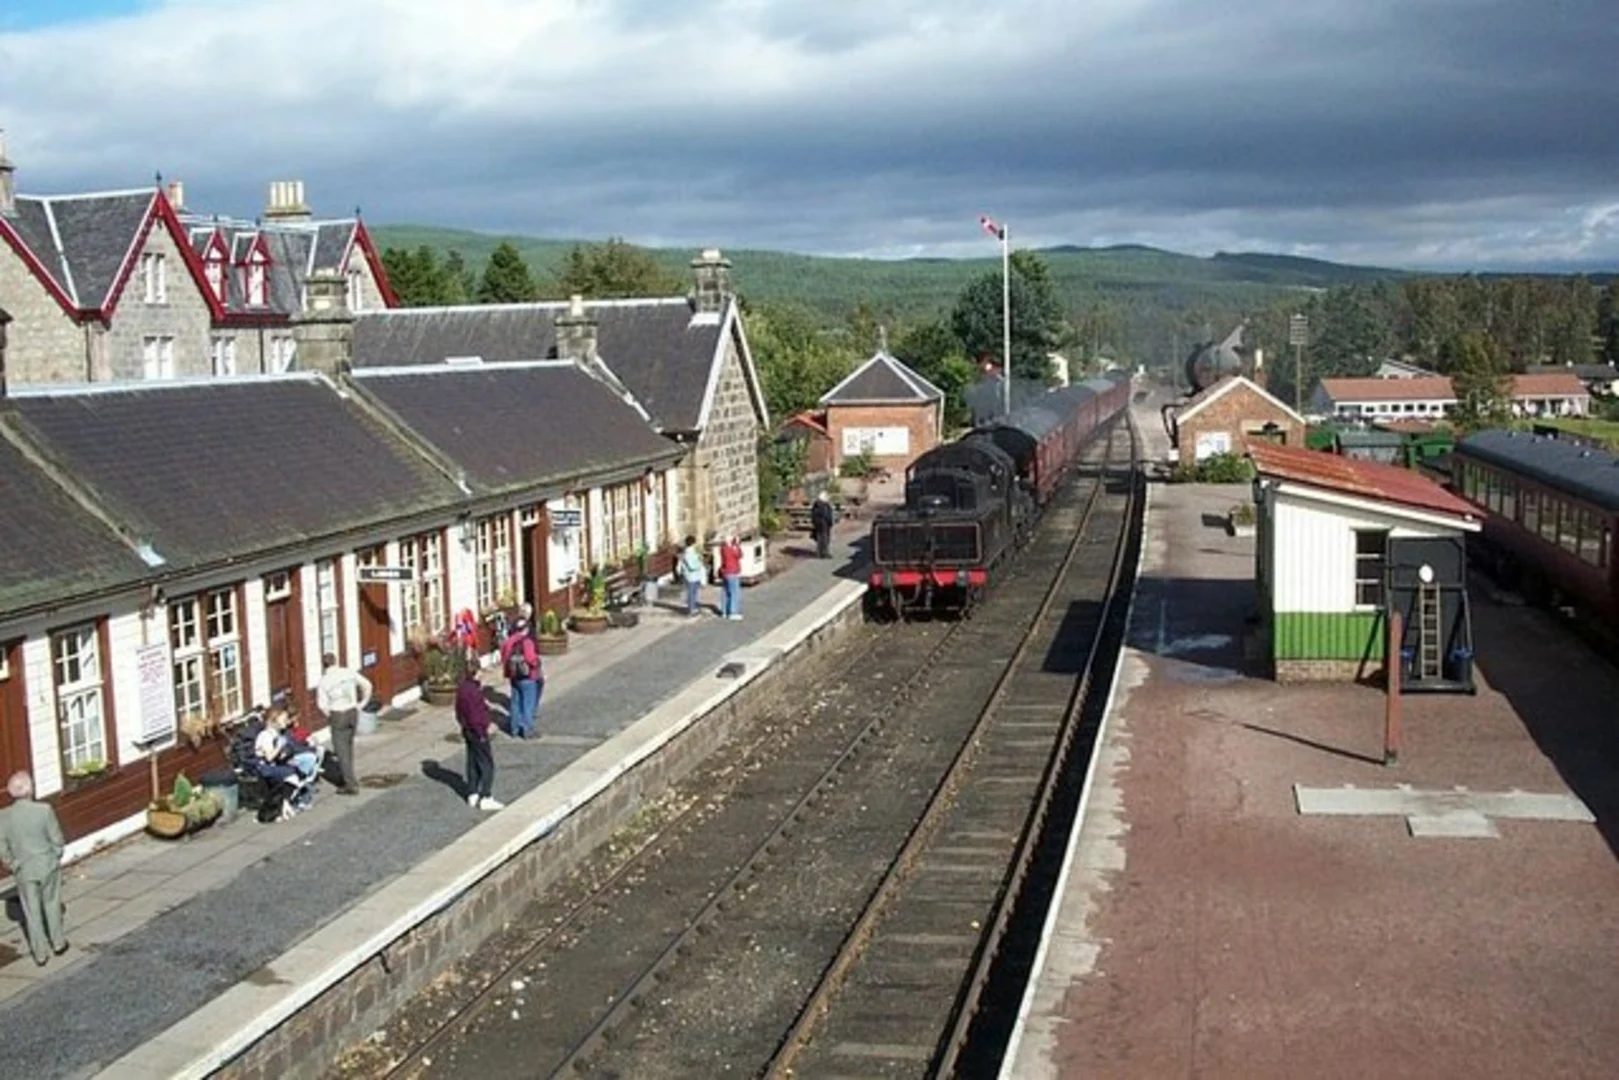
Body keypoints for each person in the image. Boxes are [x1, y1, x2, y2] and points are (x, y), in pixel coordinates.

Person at [0, 772, 68, 966]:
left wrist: (12, 864)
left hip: (24, 868)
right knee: (51, 903)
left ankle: (40, 953)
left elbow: (2, 846)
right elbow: (56, 838)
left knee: (31, 911)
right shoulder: (44, 810)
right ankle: (58, 942)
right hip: (46, 863)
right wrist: (55, 855)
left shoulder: (4, 816)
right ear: (29, 789)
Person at [316, 653, 372, 795]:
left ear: (323, 665)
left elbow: (322, 705)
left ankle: (350, 784)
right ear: (336, 661)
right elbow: (367, 685)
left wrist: (331, 715)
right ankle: (349, 775)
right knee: (349, 745)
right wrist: (362, 703)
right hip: (352, 712)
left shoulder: (324, 681)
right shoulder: (348, 672)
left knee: (341, 751)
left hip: (338, 713)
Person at [456, 661, 504, 810]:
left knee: (472, 761)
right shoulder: (474, 692)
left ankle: (472, 793)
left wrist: (464, 725)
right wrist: (482, 730)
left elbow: (459, 711)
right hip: (478, 731)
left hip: (467, 730)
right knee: (487, 764)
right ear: (476, 673)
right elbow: (476, 715)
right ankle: (486, 796)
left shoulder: (462, 689)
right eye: (480, 672)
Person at [499, 619, 541, 739]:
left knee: (515, 702)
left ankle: (514, 728)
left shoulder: (509, 641)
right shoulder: (527, 641)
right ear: (525, 629)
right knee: (528, 703)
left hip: (514, 676)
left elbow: (504, 658)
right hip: (528, 676)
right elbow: (530, 659)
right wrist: (537, 663)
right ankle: (527, 729)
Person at [679, 535, 706, 617]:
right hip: (691, 576)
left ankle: (694, 607)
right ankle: (691, 609)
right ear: (693, 543)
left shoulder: (693, 552)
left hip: (695, 575)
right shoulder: (688, 553)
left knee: (695, 592)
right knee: (691, 593)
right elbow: (692, 566)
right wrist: (700, 564)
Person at [719, 535, 744, 620]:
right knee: (734, 592)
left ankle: (724, 611)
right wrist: (737, 545)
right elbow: (739, 555)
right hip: (732, 572)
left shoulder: (723, 548)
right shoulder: (730, 549)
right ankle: (733, 612)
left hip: (725, 572)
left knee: (726, 592)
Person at [811, 491, 835, 559]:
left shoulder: (816, 505)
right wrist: (830, 522)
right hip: (824, 524)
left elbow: (813, 515)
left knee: (820, 538)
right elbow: (827, 515)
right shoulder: (824, 505)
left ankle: (820, 553)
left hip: (819, 524)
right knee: (824, 539)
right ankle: (824, 553)